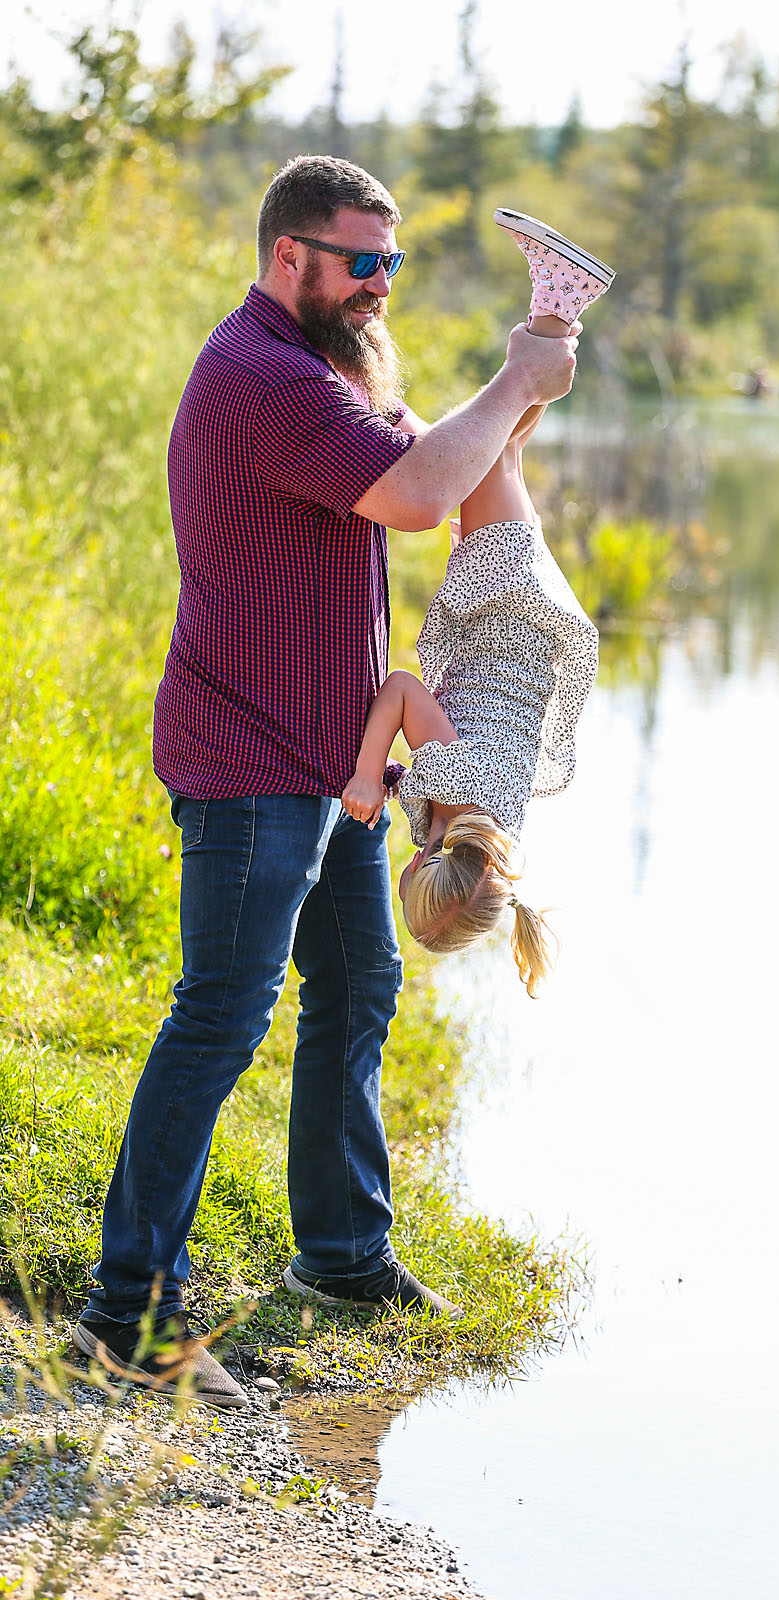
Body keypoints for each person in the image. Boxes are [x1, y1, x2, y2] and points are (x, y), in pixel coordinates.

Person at [73, 159, 579, 1409]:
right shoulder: (260, 376)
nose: (379, 286)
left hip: (329, 757)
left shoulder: (324, 377)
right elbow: (414, 495)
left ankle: (343, 1256)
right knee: (221, 1015)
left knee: (357, 979)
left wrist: (528, 381)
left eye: (392, 265)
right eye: (362, 262)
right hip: (251, 759)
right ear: (289, 255)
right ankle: (126, 1312)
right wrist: (515, 375)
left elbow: (440, 466)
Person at [340, 211, 611, 996]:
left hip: (525, 612)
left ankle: (561, 307)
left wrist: (399, 780)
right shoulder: (455, 788)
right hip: (501, 605)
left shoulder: (491, 823)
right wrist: (365, 774)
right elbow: (399, 691)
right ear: (424, 865)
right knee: (485, 433)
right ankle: (557, 303)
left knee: (505, 449)